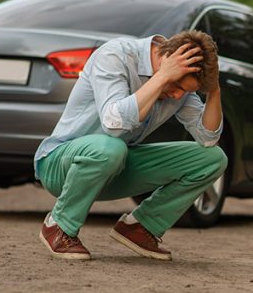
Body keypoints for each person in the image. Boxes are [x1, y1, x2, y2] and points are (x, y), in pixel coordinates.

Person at [33, 30, 227, 261]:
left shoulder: (179, 88)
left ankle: (141, 228)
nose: (177, 95)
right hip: (60, 164)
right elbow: (113, 124)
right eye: (177, 85)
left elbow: (208, 138)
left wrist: (214, 90)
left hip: (113, 167)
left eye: (185, 91)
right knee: (111, 148)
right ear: (167, 58)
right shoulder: (116, 55)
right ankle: (60, 226)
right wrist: (162, 78)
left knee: (213, 159)